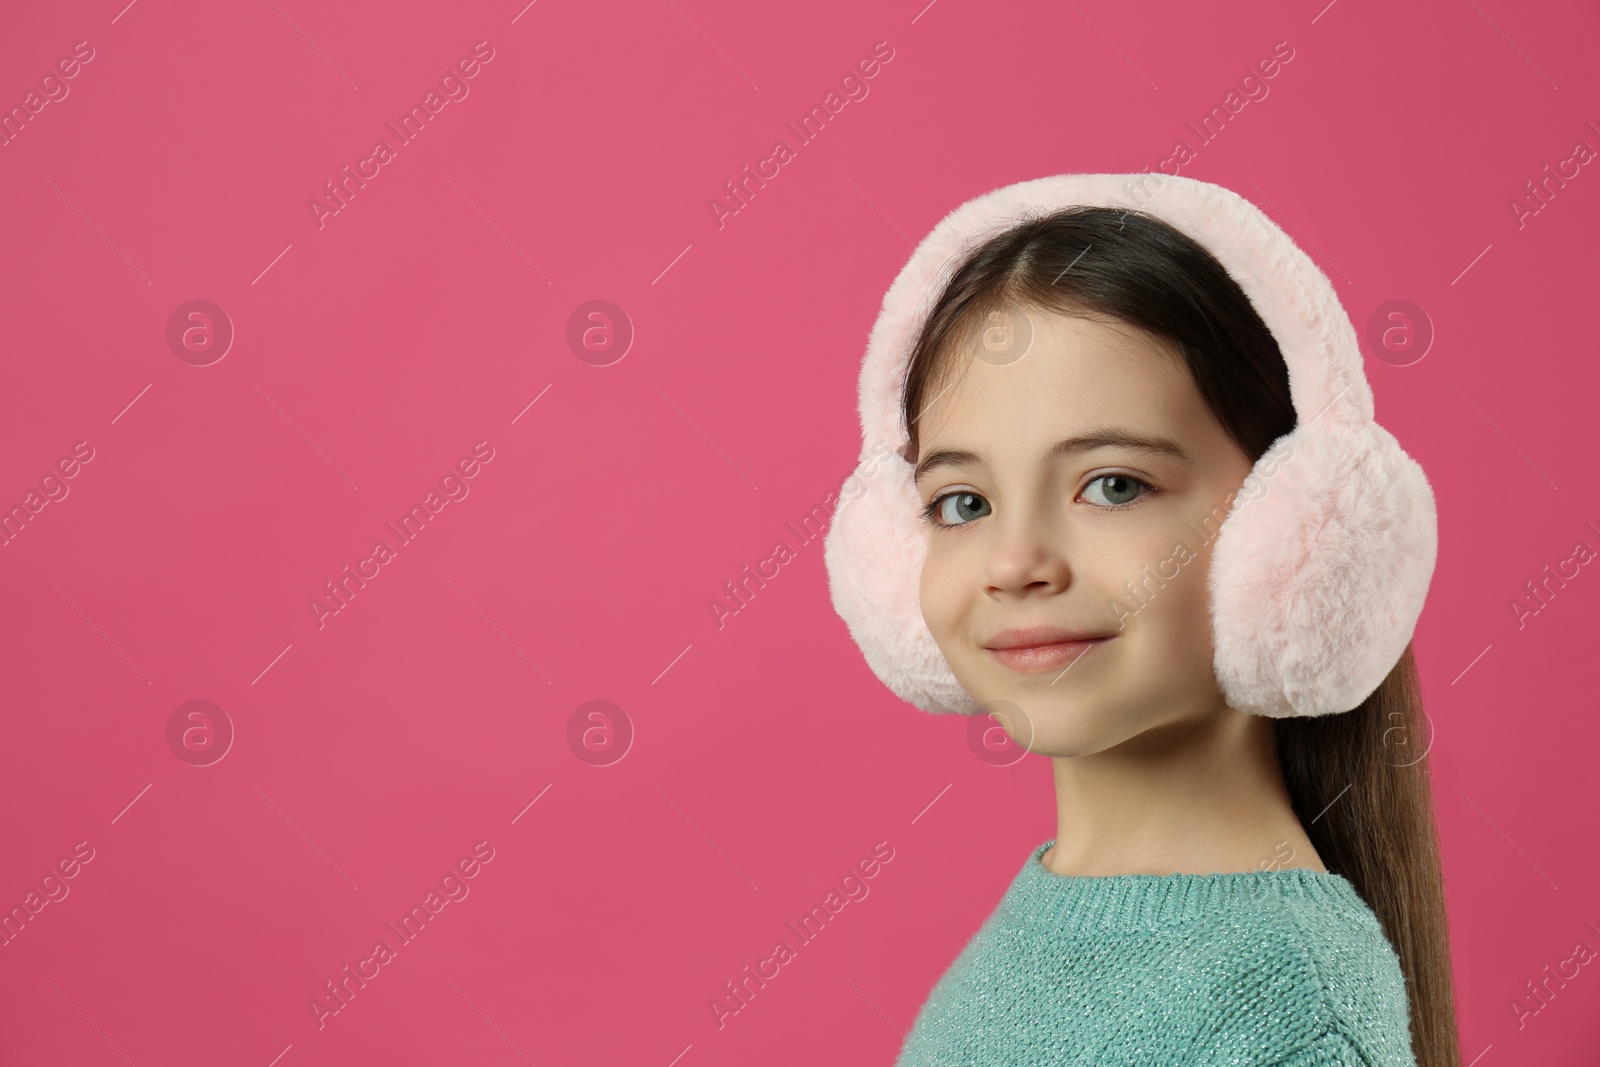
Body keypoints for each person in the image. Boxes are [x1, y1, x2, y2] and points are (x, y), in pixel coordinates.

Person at [822, 174, 1460, 1066]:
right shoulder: (1054, 906)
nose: (1014, 564)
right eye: (963, 503)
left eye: (1113, 485)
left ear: (1290, 536)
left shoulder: (1287, 1009)